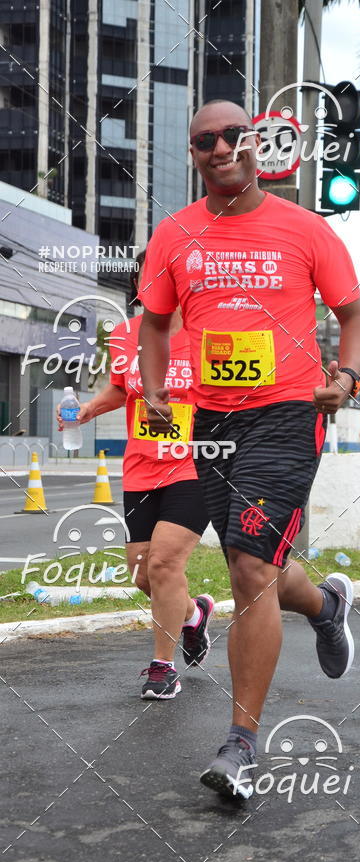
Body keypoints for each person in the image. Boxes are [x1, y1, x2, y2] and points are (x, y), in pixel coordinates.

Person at [138, 99, 360, 801]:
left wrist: (347, 376)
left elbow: (354, 315)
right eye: (204, 139)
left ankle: (240, 744)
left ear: (255, 142)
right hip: (212, 419)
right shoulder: (174, 234)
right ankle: (327, 609)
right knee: (263, 565)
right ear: (194, 152)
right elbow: (153, 322)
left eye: (230, 135)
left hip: (287, 414)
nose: (219, 148)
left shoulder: (306, 229)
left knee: (246, 565)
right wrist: (154, 388)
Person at [57, 252, 213, 700]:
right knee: (144, 575)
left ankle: (162, 667)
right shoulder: (125, 334)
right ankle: (192, 615)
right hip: (141, 469)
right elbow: (118, 388)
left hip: (194, 464)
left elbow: (237, 394)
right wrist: (88, 409)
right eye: (150, 274)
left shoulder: (207, 333)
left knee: (165, 563)